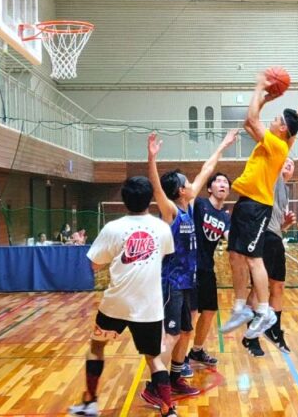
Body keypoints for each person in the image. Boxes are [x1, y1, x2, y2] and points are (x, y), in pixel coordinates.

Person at [68, 176, 177, 417]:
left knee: (96, 347)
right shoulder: (162, 228)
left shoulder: (112, 228)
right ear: (150, 199)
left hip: (116, 306)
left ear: (123, 200)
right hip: (149, 307)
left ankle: (90, 403)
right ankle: (169, 409)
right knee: (154, 359)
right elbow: (166, 254)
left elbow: (94, 265)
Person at [142, 129, 237, 401]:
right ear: (181, 190)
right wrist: (152, 159)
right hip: (173, 282)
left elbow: (207, 169)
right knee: (171, 336)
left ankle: (173, 378)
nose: (193, 183)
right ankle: (154, 387)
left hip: (189, 282)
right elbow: (157, 188)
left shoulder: (190, 208)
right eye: (187, 182)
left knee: (185, 331)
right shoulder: (171, 210)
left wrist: (224, 145)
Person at [221, 70, 298, 340]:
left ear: (282, 128)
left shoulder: (277, 145)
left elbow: (251, 118)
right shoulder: (273, 141)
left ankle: (264, 310)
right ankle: (240, 306)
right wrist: (265, 99)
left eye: (277, 120)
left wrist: (260, 88)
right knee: (235, 255)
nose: (272, 121)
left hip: (257, 206)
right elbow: (249, 121)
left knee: (252, 258)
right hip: (245, 201)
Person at [242, 158, 297, 357]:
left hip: (275, 237)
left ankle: (274, 330)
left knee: (278, 286)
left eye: (293, 163)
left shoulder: (286, 191)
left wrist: (285, 225)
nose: (289, 163)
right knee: (259, 288)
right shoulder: (274, 179)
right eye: (285, 161)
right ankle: (251, 336)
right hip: (262, 236)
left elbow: (276, 222)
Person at [187, 172, 232, 369]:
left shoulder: (225, 216)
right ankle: (178, 360)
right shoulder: (200, 205)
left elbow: (230, 238)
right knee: (191, 312)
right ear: (209, 188)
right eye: (218, 181)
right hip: (190, 266)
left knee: (210, 311)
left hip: (207, 268)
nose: (223, 185)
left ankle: (196, 350)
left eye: (226, 183)